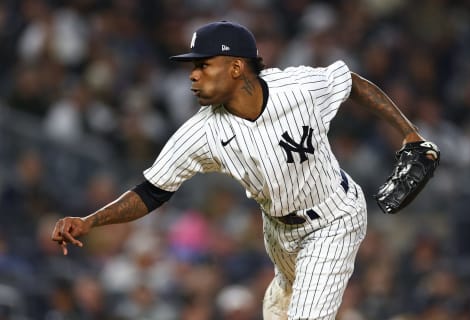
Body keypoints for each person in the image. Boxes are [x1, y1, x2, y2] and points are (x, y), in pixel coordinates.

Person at [51, 21, 432, 319]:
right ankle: (285, 289)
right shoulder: (202, 131)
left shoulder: (296, 89)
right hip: (278, 231)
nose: (193, 75)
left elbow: (351, 83)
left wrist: (410, 135)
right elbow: (152, 190)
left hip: (334, 217)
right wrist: (90, 221)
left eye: (203, 65)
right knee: (290, 291)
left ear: (236, 67)